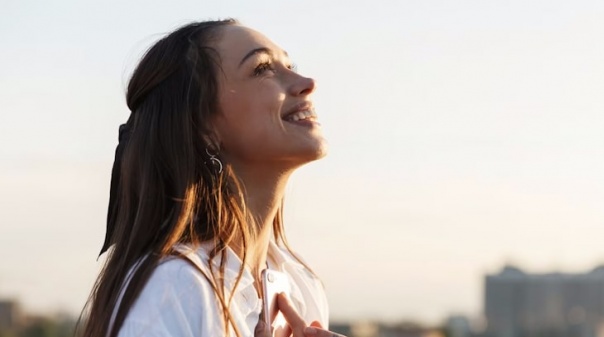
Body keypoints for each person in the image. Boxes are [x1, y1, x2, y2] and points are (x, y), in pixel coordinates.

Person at [78, 19, 347, 337]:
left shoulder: (301, 285)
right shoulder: (173, 289)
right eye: (262, 69)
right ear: (204, 126)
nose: (306, 81)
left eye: (290, 64)